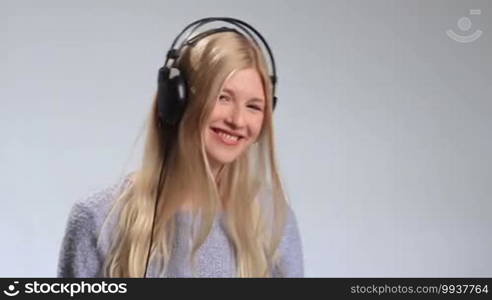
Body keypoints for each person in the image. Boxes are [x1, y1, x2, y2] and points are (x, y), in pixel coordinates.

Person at [57, 18, 304, 278]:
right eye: (222, 97)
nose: (238, 120)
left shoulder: (273, 221)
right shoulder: (98, 220)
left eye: (253, 106)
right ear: (176, 101)